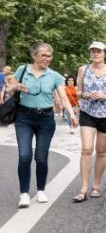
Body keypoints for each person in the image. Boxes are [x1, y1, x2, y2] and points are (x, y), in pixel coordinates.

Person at [6, 42, 78, 207]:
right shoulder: (22, 70)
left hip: (45, 119)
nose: (47, 58)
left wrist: (72, 114)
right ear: (34, 56)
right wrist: (16, 87)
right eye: (44, 55)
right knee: (24, 156)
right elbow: (9, 90)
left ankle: (40, 190)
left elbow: (64, 97)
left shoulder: (54, 76)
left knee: (41, 157)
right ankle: (24, 193)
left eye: (49, 55)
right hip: (24, 117)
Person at [74, 42, 106, 202]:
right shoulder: (83, 69)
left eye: (98, 51)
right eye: (92, 51)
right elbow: (78, 91)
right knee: (86, 149)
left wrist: (104, 95)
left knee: (101, 151)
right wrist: (85, 95)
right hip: (88, 112)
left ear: (105, 54)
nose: (95, 53)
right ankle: (83, 189)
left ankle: (96, 185)